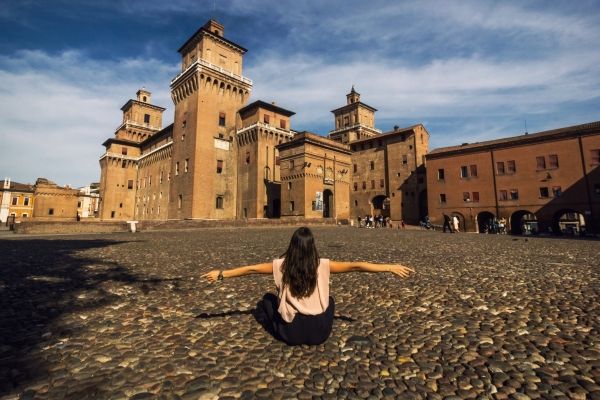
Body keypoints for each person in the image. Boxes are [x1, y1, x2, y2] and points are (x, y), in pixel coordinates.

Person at [201, 227, 413, 346]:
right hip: (320, 333)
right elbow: (356, 266)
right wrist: (389, 267)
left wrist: (220, 274)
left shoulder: (281, 266)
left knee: (266, 300)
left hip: (289, 334)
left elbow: (251, 270)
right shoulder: (323, 265)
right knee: (329, 300)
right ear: (313, 247)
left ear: (292, 246)